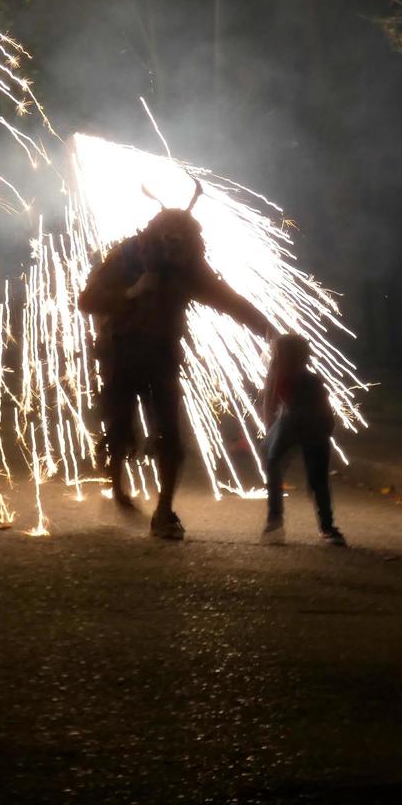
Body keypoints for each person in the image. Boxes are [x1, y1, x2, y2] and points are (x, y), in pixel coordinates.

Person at [78, 197, 276, 540]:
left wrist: (270, 331)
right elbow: (87, 300)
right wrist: (131, 292)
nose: (173, 244)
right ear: (155, 236)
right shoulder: (125, 258)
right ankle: (117, 480)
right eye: (168, 236)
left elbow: (228, 300)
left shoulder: (189, 269)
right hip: (119, 356)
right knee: (120, 432)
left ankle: (164, 511)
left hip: (162, 357)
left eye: (180, 238)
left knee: (170, 435)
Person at [259, 333, 345, 546]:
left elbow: (270, 405)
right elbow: (271, 404)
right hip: (305, 425)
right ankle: (325, 528)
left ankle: (276, 522)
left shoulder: (294, 378)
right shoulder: (298, 378)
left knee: (282, 469)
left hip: (305, 426)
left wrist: (270, 433)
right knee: (315, 480)